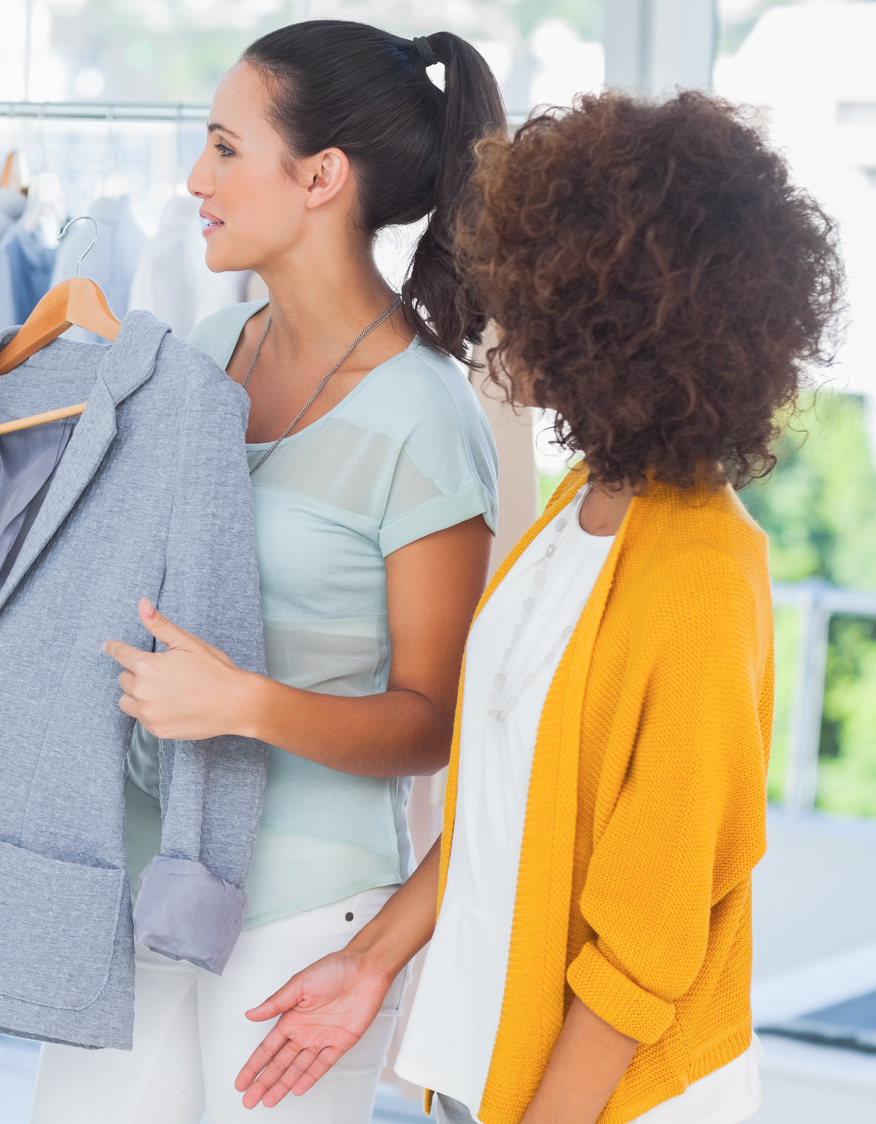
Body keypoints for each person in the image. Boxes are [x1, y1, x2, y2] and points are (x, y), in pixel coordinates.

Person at [234, 91, 843, 1124]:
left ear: (609, 322)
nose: (498, 320)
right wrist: (369, 960)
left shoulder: (702, 571)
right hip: (500, 1074)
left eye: (528, 295)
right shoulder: (582, 500)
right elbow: (501, 806)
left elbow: (645, 947)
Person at [30, 21, 505, 1123]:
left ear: (321, 177)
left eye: (224, 149)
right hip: (148, 868)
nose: (194, 180)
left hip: (304, 902)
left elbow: (435, 722)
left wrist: (242, 704)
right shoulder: (207, 347)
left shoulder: (424, 418)